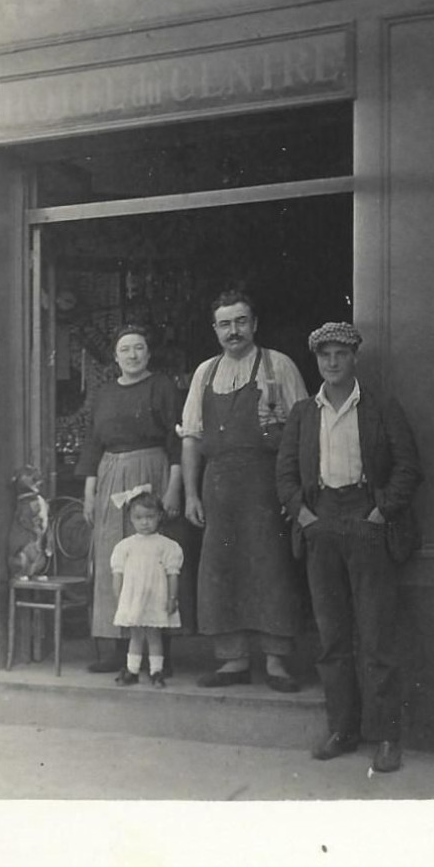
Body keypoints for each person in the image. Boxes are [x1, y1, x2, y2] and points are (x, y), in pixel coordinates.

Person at [276, 321, 423, 772]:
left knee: (377, 638)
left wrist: (381, 514)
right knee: (332, 638)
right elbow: (284, 474)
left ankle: (386, 736)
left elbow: (407, 467)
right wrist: (305, 517)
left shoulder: (380, 408)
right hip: (322, 527)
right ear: (316, 362)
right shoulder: (304, 412)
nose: (332, 363)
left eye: (340, 354)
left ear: (354, 357)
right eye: (325, 356)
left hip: (368, 524)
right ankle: (342, 729)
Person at [181, 289, 308, 691]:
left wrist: (296, 492)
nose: (233, 331)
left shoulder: (278, 366)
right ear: (214, 329)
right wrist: (190, 493)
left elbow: (304, 431)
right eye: (224, 324)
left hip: (266, 485)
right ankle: (232, 659)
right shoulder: (205, 373)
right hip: (218, 485)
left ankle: (276, 662)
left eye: (240, 322)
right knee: (221, 569)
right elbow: (191, 439)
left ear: (254, 324)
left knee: (270, 567)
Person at [76, 324, 183, 672]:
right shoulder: (105, 393)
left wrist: (172, 487)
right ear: (115, 356)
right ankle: (114, 648)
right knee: (115, 558)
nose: (133, 355)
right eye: (125, 349)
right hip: (109, 475)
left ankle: (156, 653)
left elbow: (176, 440)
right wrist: (90, 491)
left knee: (150, 561)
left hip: (152, 469)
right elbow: (93, 442)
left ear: (148, 353)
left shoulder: (162, 386)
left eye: (139, 348)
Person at [111, 490, 183, 688]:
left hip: (155, 597)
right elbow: (118, 576)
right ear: (130, 519)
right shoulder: (125, 546)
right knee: (135, 635)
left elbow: (172, 574)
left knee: (154, 635)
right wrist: (120, 600)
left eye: (150, 517)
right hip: (134, 598)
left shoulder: (167, 546)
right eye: (139, 518)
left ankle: (156, 671)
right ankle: (132, 670)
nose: (144, 522)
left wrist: (172, 598)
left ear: (159, 517)